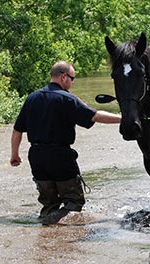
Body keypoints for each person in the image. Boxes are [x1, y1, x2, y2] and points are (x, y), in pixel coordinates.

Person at [10, 61, 121, 225]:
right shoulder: (66, 99)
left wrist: (14, 154)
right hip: (60, 157)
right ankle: (60, 232)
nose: (73, 82)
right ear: (64, 77)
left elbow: (17, 131)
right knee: (74, 201)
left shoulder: (31, 98)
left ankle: (47, 230)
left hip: (36, 157)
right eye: (72, 78)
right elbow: (95, 116)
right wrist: (123, 119)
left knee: (49, 204)